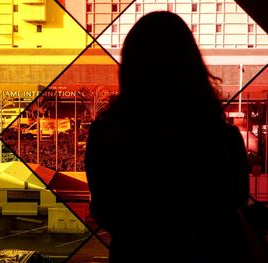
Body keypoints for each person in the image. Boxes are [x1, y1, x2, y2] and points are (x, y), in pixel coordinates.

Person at [85, 11, 255, 262]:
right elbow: (233, 205)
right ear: (191, 65)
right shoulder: (222, 139)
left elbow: (104, 210)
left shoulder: (107, 136)